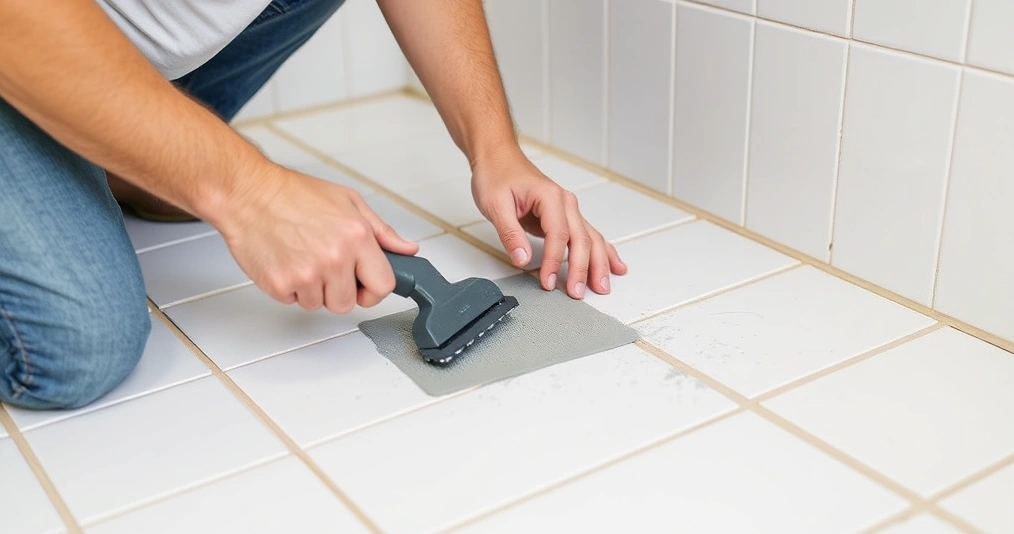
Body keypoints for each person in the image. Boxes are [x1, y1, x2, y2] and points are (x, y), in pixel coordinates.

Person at [0, 0, 627, 411]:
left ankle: (114, 150)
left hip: (108, 42)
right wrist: (248, 191)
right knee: (75, 345)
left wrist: (495, 148)